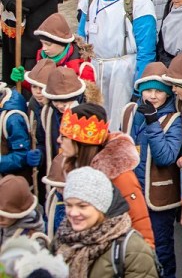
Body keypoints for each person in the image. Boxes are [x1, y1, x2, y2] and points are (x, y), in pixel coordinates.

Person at [77, 0, 156, 132]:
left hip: (123, 72)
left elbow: (146, 49)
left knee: (119, 123)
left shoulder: (139, 2)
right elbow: (81, 36)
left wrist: (139, 85)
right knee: (93, 122)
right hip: (95, 69)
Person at [58, 103, 155, 246]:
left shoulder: (119, 176)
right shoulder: (73, 168)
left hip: (111, 252)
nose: (58, 141)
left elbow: (141, 226)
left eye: (63, 136)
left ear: (79, 141)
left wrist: (143, 253)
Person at [122, 65, 182, 278]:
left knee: (161, 248)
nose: (153, 96)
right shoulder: (129, 112)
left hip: (158, 197)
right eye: (148, 90)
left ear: (168, 93)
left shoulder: (173, 119)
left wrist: (152, 122)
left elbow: (165, 157)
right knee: (133, 246)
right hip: (132, 193)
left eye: (159, 91)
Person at [53, 166, 159, 277]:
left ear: (101, 207)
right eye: (69, 205)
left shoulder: (132, 249)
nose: (73, 213)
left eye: (82, 206)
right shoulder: (63, 236)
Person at [0, 175, 44, 245]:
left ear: (20, 214)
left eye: (5, 215)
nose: (0, 220)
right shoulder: (6, 224)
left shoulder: (29, 237)